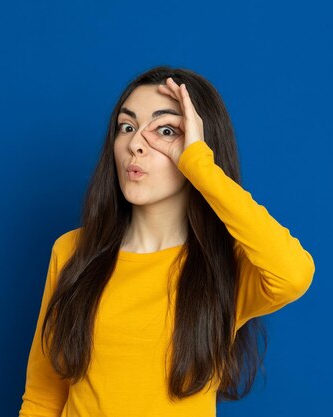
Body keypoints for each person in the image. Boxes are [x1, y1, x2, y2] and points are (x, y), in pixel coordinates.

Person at [18, 65, 315, 417]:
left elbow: (293, 273)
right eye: (126, 127)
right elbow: (42, 398)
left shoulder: (224, 268)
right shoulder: (71, 251)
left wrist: (199, 166)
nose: (135, 145)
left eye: (165, 130)